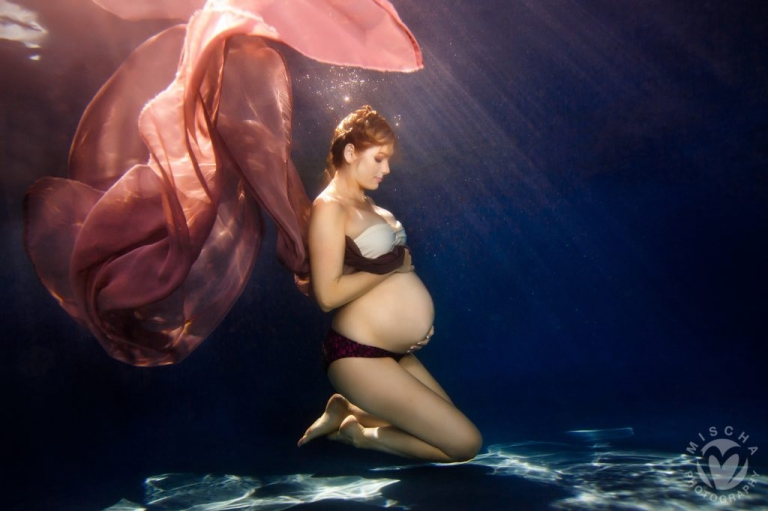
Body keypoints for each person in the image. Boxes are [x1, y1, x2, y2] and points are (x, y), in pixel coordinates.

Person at [297, 106, 482, 462]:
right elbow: (327, 295)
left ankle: (344, 409)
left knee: (442, 428)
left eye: (388, 160)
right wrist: (389, 269)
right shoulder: (330, 209)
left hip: (393, 352)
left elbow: (391, 276)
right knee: (463, 445)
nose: (387, 169)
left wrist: (410, 327)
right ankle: (357, 433)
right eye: (379, 158)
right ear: (350, 153)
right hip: (357, 354)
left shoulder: (369, 205)